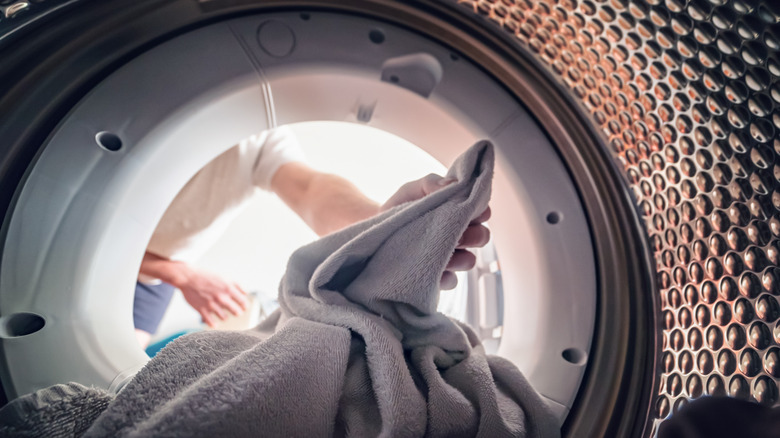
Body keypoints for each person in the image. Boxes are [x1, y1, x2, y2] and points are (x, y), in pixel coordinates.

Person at [134, 126, 491, 348]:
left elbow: (311, 190)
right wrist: (181, 274)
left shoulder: (254, 130)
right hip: (139, 263)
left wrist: (384, 223)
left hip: (152, 280)